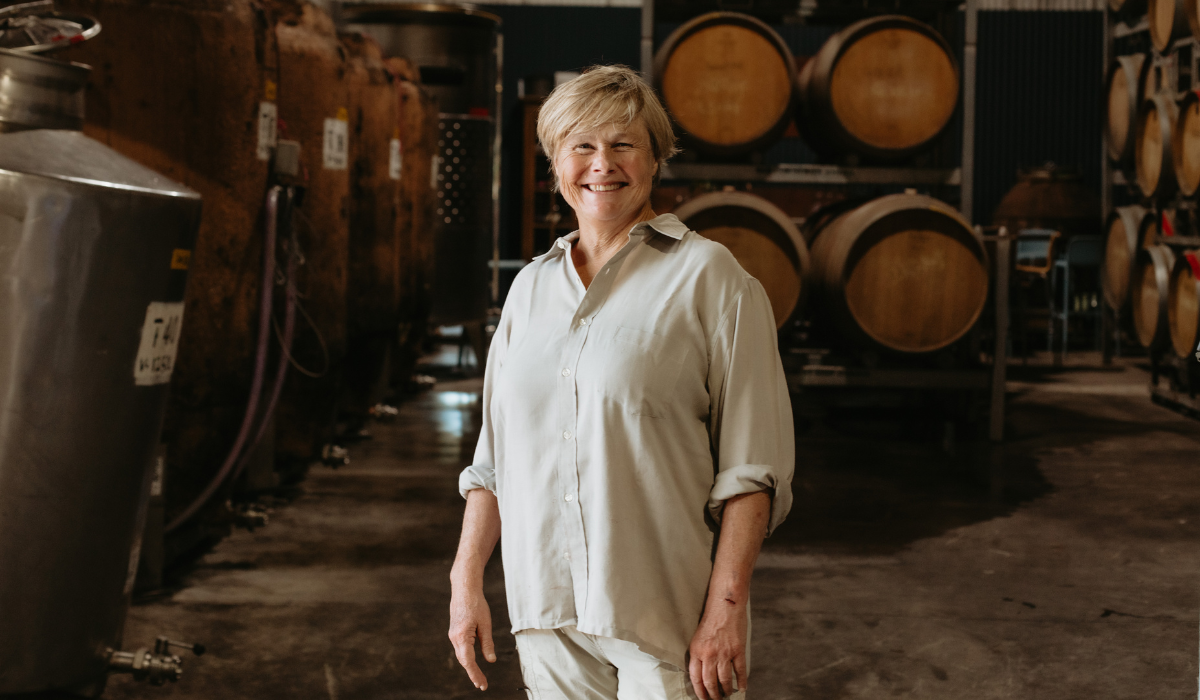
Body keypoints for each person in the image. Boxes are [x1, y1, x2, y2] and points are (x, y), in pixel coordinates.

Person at [448, 65, 794, 700]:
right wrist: (465, 582)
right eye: (581, 145)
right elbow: (493, 461)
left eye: (623, 144)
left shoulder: (710, 278)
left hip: (666, 621)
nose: (601, 164)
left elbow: (753, 470)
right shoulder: (529, 290)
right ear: (556, 162)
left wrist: (726, 611)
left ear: (655, 158)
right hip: (546, 614)